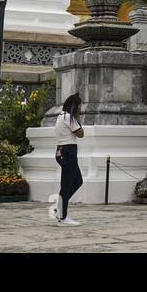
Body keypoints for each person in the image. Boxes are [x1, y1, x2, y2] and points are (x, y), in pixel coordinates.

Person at [52, 93, 85, 226]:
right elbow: (81, 134)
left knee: (77, 181)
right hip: (68, 152)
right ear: (74, 107)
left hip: (62, 151)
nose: (80, 109)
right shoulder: (69, 118)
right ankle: (63, 216)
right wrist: (77, 118)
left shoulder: (61, 116)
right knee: (66, 186)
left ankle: (59, 208)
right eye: (79, 106)